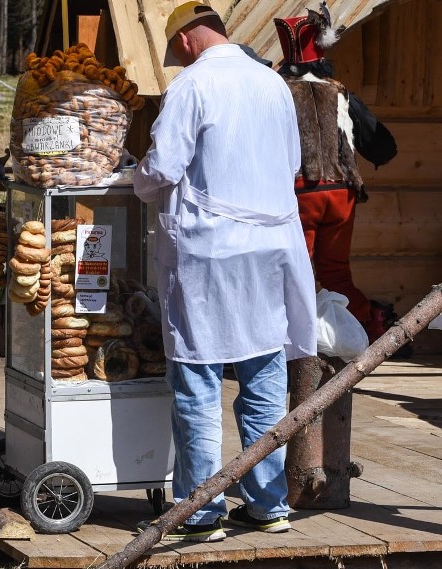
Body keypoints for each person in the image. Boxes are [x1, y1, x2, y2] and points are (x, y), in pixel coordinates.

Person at [133, 1, 317, 542]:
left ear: (186, 41)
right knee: (263, 375)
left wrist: (136, 179)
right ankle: (268, 503)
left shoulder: (193, 86)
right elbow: (290, 166)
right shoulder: (272, 84)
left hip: (209, 252)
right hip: (269, 247)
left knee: (198, 378)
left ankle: (202, 510)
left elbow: (164, 167)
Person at [274, 3, 397, 343]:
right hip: (343, 193)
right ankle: (367, 329)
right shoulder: (339, 90)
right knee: (336, 273)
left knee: (294, 274)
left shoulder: (276, 91)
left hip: (301, 190)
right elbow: (382, 146)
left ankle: (290, 345)